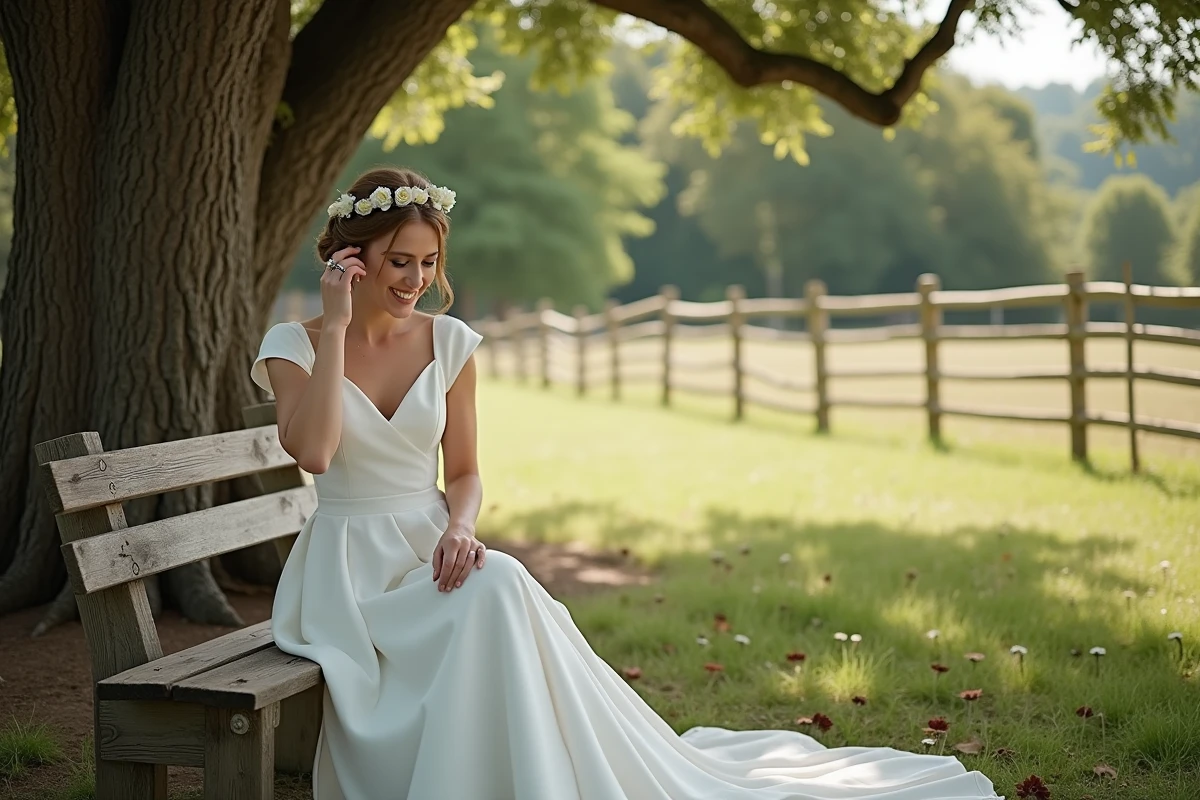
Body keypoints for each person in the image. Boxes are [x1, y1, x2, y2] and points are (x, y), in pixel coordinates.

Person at [251, 166, 1001, 800]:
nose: (416, 280)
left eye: (427, 262)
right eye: (398, 262)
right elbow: (315, 453)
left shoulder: (451, 343)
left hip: (428, 547)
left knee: (498, 585)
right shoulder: (297, 343)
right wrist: (339, 324)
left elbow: (468, 472)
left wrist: (460, 526)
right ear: (353, 259)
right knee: (500, 595)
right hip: (346, 581)